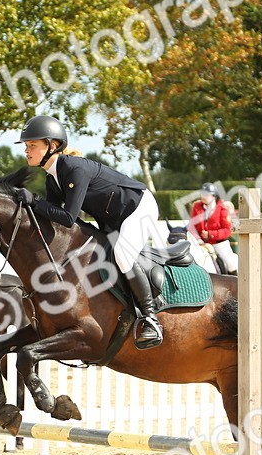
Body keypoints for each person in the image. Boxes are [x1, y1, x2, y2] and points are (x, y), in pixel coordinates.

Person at [14, 115, 165, 349]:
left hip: (138, 208)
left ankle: (150, 317)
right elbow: (53, 215)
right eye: (26, 145)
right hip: (113, 217)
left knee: (122, 254)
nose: (27, 150)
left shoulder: (73, 168)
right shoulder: (52, 177)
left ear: (52, 146)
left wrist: (34, 200)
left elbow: (68, 218)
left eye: (32, 145)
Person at [189, 183, 239, 274]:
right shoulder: (197, 207)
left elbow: (227, 230)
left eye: (206, 194)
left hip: (219, 243)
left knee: (231, 264)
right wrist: (199, 239)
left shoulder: (221, 208)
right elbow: (192, 226)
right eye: (202, 194)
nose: (203, 197)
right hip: (201, 243)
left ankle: (234, 278)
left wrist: (210, 234)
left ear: (213, 196)